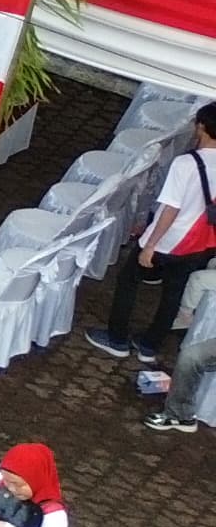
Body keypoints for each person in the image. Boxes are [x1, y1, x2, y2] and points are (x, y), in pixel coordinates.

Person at [94, 102, 215, 365]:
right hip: (198, 242)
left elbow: (170, 208)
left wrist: (150, 244)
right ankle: (150, 345)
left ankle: (116, 338)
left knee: (128, 281)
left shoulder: (186, 163)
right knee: (173, 293)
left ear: (202, 127)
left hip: (168, 238)